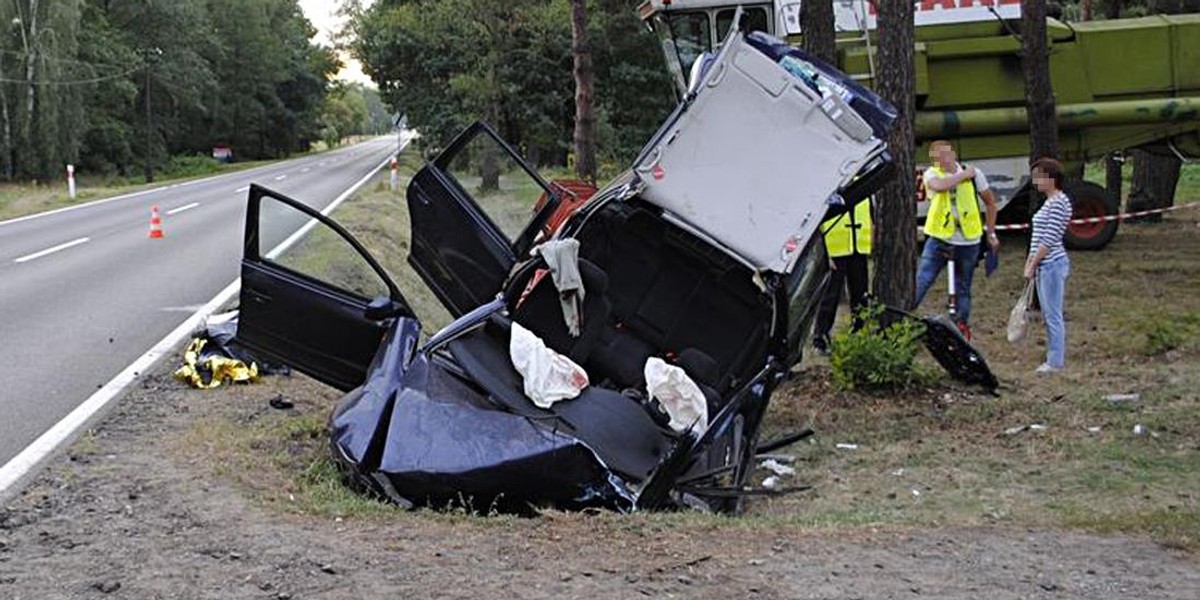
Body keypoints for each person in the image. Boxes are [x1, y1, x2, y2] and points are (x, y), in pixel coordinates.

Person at [913, 140, 1000, 340]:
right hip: (940, 237)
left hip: (968, 241)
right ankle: (902, 319)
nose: (942, 160)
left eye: (945, 155)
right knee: (923, 279)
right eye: (937, 158)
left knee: (963, 286)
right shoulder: (932, 174)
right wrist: (963, 175)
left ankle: (960, 327)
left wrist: (991, 232)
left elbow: (990, 203)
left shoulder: (975, 176)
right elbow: (940, 187)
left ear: (953, 153)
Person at [1024, 157, 1072, 374]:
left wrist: (1033, 263)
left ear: (1051, 178)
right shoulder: (1049, 202)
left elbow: (1049, 238)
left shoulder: (1059, 202)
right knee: (1048, 312)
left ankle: (1055, 360)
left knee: (1053, 314)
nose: (1035, 182)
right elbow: (1038, 236)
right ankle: (1053, 356)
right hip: (1044, 264)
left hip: (1051, 264)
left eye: (1039, 177)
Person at [812, 197, 872, 355]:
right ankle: (820, 337)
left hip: (858, 248)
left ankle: (860, 332)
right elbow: (818, 226)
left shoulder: (864, 186)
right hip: (836, 251)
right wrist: (825, 254)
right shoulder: (832, 188)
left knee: (860, 295)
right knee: (829, 297)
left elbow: (869, 218)